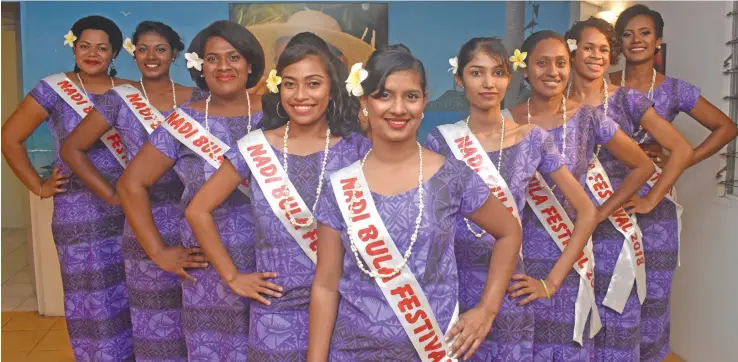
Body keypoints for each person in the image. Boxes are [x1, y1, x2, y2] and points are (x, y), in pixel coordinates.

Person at [308, 44, 523, 362]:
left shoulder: (451, 176)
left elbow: (509, 231)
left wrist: (487, 310)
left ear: (423, 102)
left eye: (410, 96)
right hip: (352, 351)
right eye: (384, 95)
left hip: (433, 350)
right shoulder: (340, 185)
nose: (398, 108)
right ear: (365, 103)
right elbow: (325, 286)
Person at [185, 33, 368, 360]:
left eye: (313, 84)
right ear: (277, 87)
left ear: (332, 88)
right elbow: (197, 210)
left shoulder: (358, 149)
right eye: (290, 84)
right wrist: (232, 277)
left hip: (347, 310)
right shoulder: (255, 146)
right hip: (276, 316)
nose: (301, 96)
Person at [424, 37, 598, 362]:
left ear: (509, 78)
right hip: (452, 284)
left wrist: (550, 283)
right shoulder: (441, 141)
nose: (489, 83)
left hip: (508, 291)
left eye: (498, 72)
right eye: (477, 73)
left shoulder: (532, 139)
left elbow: (587, 211)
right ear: (459, 80)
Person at [60, 20, 208, 361]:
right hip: (144, 223)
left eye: (160, 49)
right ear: (133, 54)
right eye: (143, 49)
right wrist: (113, 196)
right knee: (153, 324)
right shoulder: (119, 100)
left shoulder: (198, 98)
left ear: (174, 54)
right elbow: (72, 149)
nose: (151, 56)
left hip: (195, 221)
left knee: (201, 319)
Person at [117, 20, 265, 360]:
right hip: (209, 268)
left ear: (250, 63)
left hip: (271, 259)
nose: (224, 66)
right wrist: (157, 251)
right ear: (200, 65)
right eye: (213, 58)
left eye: (234, 56)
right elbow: (131, 184)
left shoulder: (277, 114)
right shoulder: (182, 122)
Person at [507, 30, 654, 360]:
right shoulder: (506, 121)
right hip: (517, 253)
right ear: (525, 70)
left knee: (569, 343)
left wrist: (601, 213)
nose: (552, 71)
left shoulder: (589, 118)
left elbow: (643, 166)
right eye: (541, 63)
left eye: (560, 63)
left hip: (569, 251)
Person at [1, 15, 135, 360]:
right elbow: (10, 137)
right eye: (84, 45)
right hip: (80, 212)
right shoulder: (54, 89)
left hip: (131, 206)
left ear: (114, 53)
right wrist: (39, 186)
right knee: (91, 295)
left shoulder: (131, 90)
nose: (92, 53)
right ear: (73, 47)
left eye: (102, 47)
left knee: (135, 285)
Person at [611, 5, 738, 361]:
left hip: (655, 204)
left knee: (652, 294)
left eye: (645, 33)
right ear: (619, 42)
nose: (636, 40)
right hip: (607, 201)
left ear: (658, 41)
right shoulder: (604, 88)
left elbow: (727, 127)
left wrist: (683, 160)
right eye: (628, 34)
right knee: (608, 291)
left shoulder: (675, 90)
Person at [565, 17, 694, 361]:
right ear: (572, 51)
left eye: (604, 50)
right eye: (588, 48)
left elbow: (680, 149)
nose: (596, 56)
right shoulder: (553, 97)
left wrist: (652, 198)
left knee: (620, 310)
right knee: (574, 310)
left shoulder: (628, 99)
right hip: (569, 217)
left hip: (619, 220)